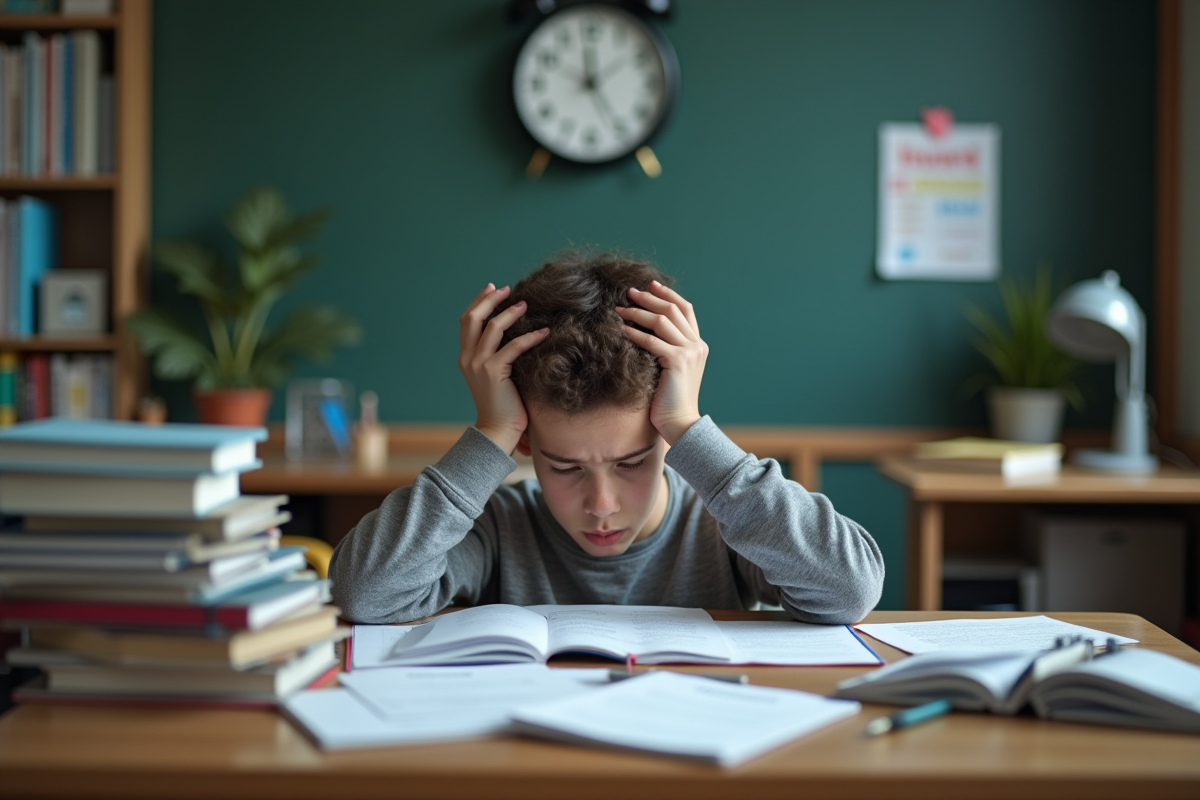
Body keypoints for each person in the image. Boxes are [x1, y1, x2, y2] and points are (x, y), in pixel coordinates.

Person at [329, 251, 884, 624]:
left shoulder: (727, 524)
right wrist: (491, 431)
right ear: (524, 444)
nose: (602, 506)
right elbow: (365, 592)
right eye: (567, 468)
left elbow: (849, 588)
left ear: (667, 437)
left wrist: (692, 429)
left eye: (633, 462)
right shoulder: (497, 528)